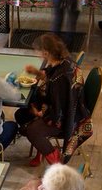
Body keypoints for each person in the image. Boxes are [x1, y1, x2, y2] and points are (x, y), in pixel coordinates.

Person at [17, 33, 86, 166]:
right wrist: (37, 72)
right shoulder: (66, 62)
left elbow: (57, 112)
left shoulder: (58, 80)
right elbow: (50, 73)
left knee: (32, 131)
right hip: (74, 108)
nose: (37, 54)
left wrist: (40, 114)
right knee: (21, 114)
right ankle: (42, 149)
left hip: (69, 119)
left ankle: (57, 165)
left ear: (46, 53)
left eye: (38, 52)